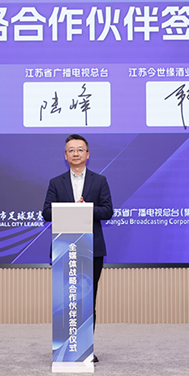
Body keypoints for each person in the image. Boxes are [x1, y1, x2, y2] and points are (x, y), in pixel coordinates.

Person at [42, 134, 114, 362]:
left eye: (80, 149)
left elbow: (108, 211)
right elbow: (46, 213)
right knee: (66, 300)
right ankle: (65, 348)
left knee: (87, 299)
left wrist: (86, 209)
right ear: (65, 156)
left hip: (92, 248)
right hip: (64, 248)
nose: (76, 153)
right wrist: (71, 209)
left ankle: (85, 348)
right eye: (71, 150)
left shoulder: (99, 181)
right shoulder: (56, 182)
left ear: (87, 154)